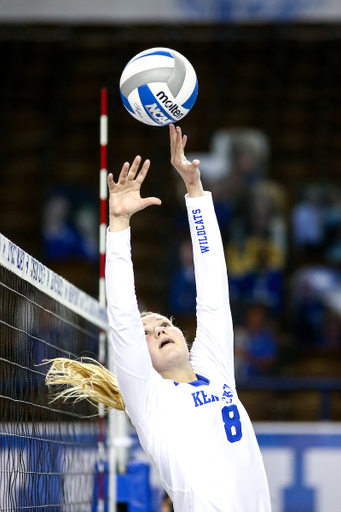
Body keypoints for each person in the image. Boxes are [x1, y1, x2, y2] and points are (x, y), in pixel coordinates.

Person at [46, 125, 271, 512]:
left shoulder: (215, 367)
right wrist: (118, 226)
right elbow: (121, 317)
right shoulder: (150, 398)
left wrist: (195, 192)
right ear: (138, 356)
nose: (160, 329)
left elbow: (214, 284)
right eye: (147, 332)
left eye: (163, 323)